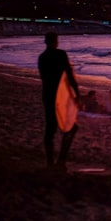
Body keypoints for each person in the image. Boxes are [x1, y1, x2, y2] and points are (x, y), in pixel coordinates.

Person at [38, 32, 80, 170]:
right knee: (71, 128)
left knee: (50, 130)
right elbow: (70, 76)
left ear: (45, 41)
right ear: (56, 41)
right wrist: (77, 95)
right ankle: (61, 161)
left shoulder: (42, 58)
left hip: (47, 96)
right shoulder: (61, 54)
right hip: (61, 97)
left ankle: (50, 163)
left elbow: (44, 78)